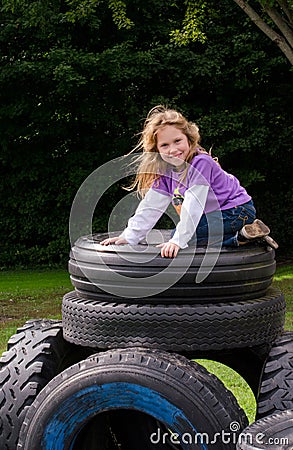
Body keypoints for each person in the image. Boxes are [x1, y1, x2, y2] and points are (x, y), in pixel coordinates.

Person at [101, 106, 278, 258]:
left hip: (237, 210)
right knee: (182, 236)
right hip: (214, 214)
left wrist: (178, 241)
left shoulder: (201, 163)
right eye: (164, 145)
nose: (173, 150)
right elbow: (151, 207)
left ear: (189, 139)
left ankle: (241, 238)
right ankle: (247, 234)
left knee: (185, 238)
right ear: (156, 149)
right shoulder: (165, 172)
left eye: (178, 141)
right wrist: (129, 237)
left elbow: (193, 205)